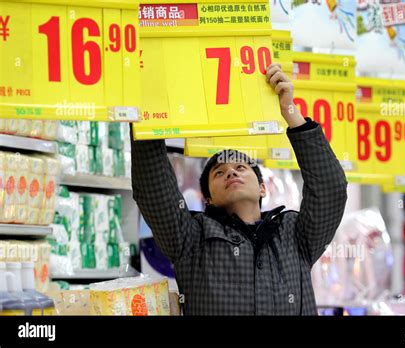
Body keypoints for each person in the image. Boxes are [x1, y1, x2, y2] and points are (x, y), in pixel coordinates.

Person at [130, 63, 348, 315]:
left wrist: (291, 113)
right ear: (208, 199)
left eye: (241, 168)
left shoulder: (295, 235)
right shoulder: (190, 238)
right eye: (219, 172)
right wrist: (149, 107)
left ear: (263, 188)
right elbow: (153, 190)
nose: (231, 172)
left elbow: (331, 190)